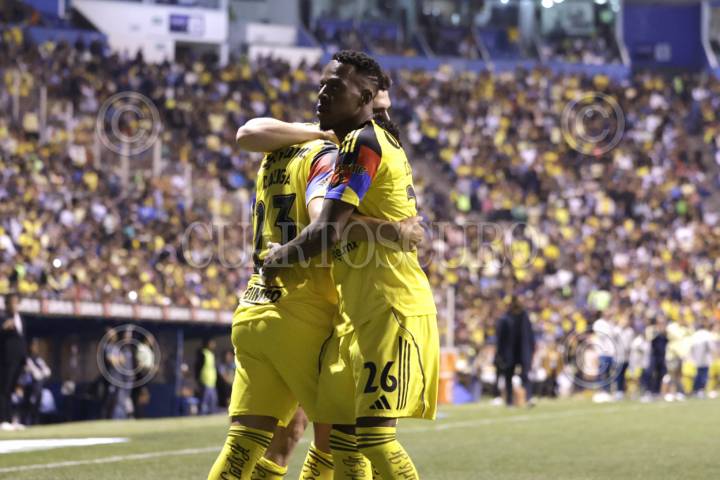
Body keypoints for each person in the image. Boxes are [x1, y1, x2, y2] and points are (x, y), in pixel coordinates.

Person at [207, 80, 423, 480]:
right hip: (305, 310)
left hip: (256, 306)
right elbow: (325, 225)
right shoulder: (328, 157)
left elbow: (248, 132)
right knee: (343, 440)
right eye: (377, 111)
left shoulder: (279, 152)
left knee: (245, 445)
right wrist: (394, 230)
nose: (382, 119)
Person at [264, 50, 439, 480]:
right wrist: (390, 230)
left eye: (334, 87)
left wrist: (277, 259)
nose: (322, 93)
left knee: (375, 440)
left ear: (363, 98)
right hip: (355, 312)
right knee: (342, 443)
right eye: (322, 84)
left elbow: (327, 230)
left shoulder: (364, 142)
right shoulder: (356, 143)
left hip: (390, 307)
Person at [495, 295, 535, 407]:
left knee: (525, 375)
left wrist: (531, 350)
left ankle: (528, 398)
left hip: (523, 351)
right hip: (510, 353)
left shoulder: (524, 317)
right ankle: (509, 401)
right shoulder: (505, 318)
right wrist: (500, 354)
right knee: (509, 376)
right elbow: (501, 338)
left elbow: (530, 336)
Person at [1, 293, 27, 431]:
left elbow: (22, 339)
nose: (15, 305)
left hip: (19, 360)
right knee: (3, 390)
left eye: (17, 302)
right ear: (6, 304)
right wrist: (3, 328)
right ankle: (3, 420)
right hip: (6, 360)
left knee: (12, 390)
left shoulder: (20, 318)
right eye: (12, 302)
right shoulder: (2, 317)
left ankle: (11, 420)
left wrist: (24, 359)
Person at [22, 338, 51, 425]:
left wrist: (43, 373)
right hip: (29, 386)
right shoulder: (27, 358)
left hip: (38, 386)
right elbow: (33, 372)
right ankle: (25, 422)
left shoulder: (39, 359)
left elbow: (47, 371)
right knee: (28, 406)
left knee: (36, 406)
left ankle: (35, 422)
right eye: (34, 345)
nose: (35, 348)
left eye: (37, 346)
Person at [196, 338, 218, 415]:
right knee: (204, 401)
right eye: (212, 343)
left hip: (212, 381)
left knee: (213, 400)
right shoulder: (203, 354)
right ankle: (201, 414)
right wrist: (198, 379)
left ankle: (211, 414)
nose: (214, 345)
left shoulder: (211, 354)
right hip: (205, 380)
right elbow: (198, 367)